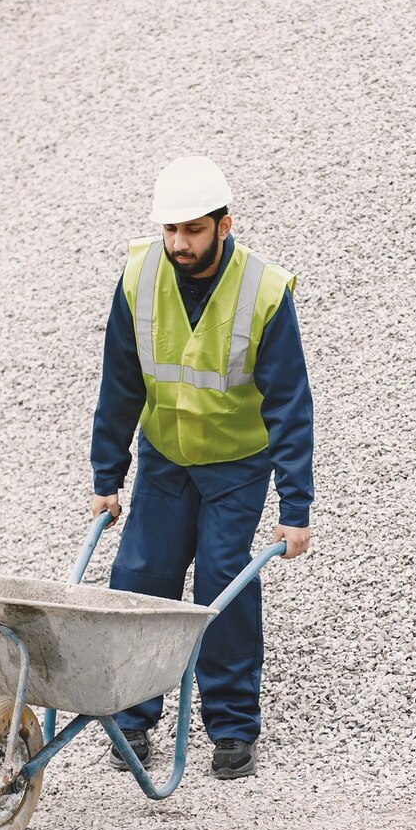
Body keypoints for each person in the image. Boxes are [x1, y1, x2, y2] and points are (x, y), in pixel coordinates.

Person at [88, 156, 314, 779]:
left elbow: (290, 404)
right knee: (139, 576)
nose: (179, 244)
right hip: (166, 457)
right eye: (170, 230)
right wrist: (107, 477)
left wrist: (295, 507)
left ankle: (233, 726)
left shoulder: (263, 293)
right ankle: (132, 718)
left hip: (236, 464)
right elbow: (120, 382)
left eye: (192, 230)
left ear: (224, 225)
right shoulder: (139, 277)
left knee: (222, 583)